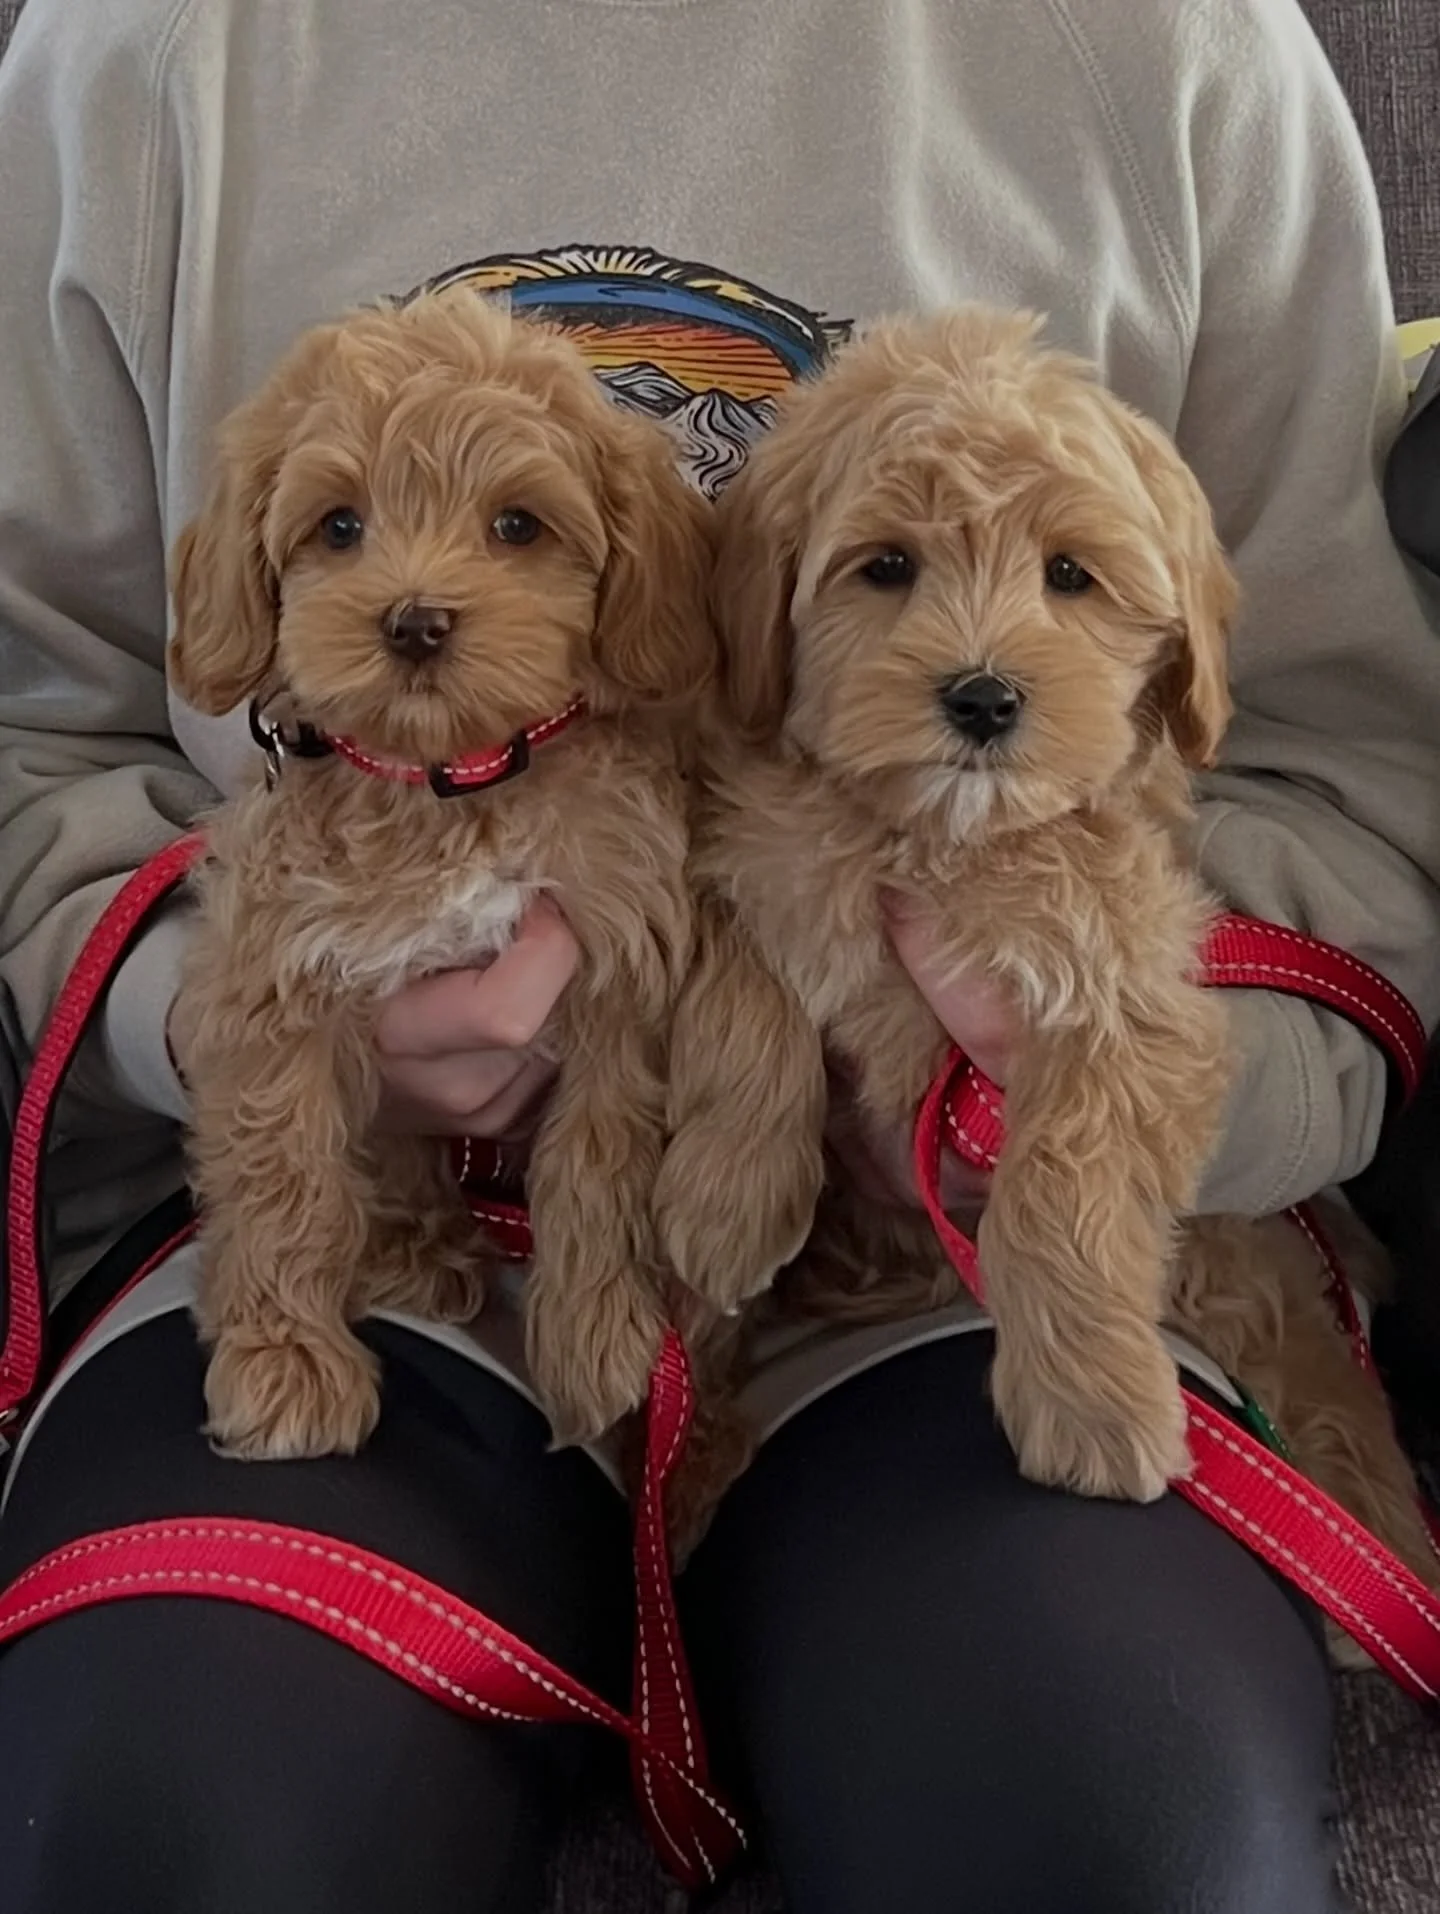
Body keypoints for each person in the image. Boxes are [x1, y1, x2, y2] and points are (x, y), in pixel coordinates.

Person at [1, 0, 1437, 1907]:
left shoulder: (1171, 49)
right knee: (187, 1836)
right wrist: (238, 1007)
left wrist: (1057, 1085)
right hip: (366, 1239)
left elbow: (1340, 761)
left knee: (1108, 1839)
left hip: (931, 1274)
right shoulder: (135, 52)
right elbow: (39, 723)